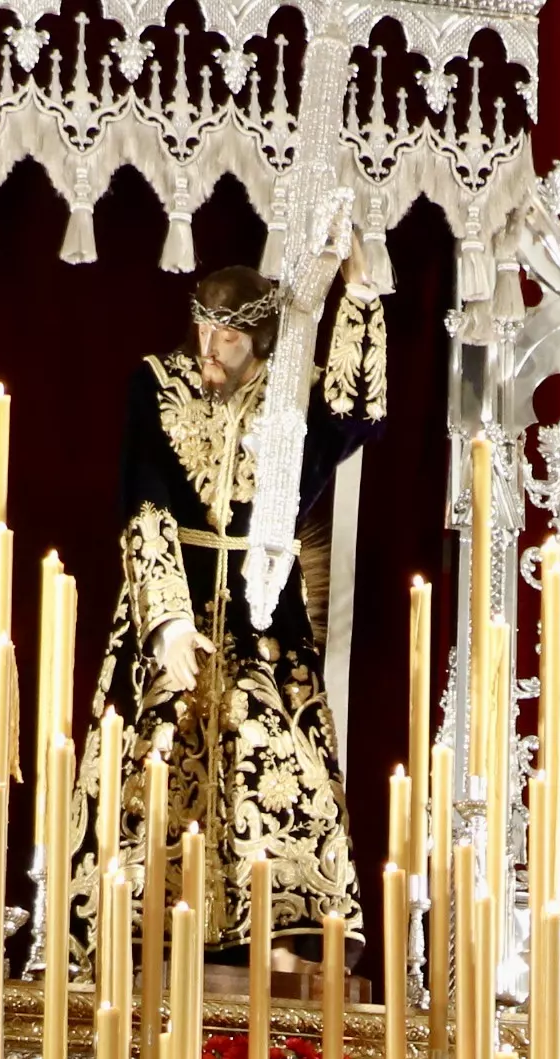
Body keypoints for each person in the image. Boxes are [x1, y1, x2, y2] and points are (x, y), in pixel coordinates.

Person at [60, 235, 385, 970]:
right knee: (149, 775)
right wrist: (168, 620)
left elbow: (358, 413)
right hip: (169, 611)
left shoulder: (292, 402)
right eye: (204, 326)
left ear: (260, 338)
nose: (211, 344)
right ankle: (135, 949)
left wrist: (359, 299)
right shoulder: (157, 383)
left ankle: (285, 953)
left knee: (279, 775)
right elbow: (143, 504)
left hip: (263, 620)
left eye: (230, 335)